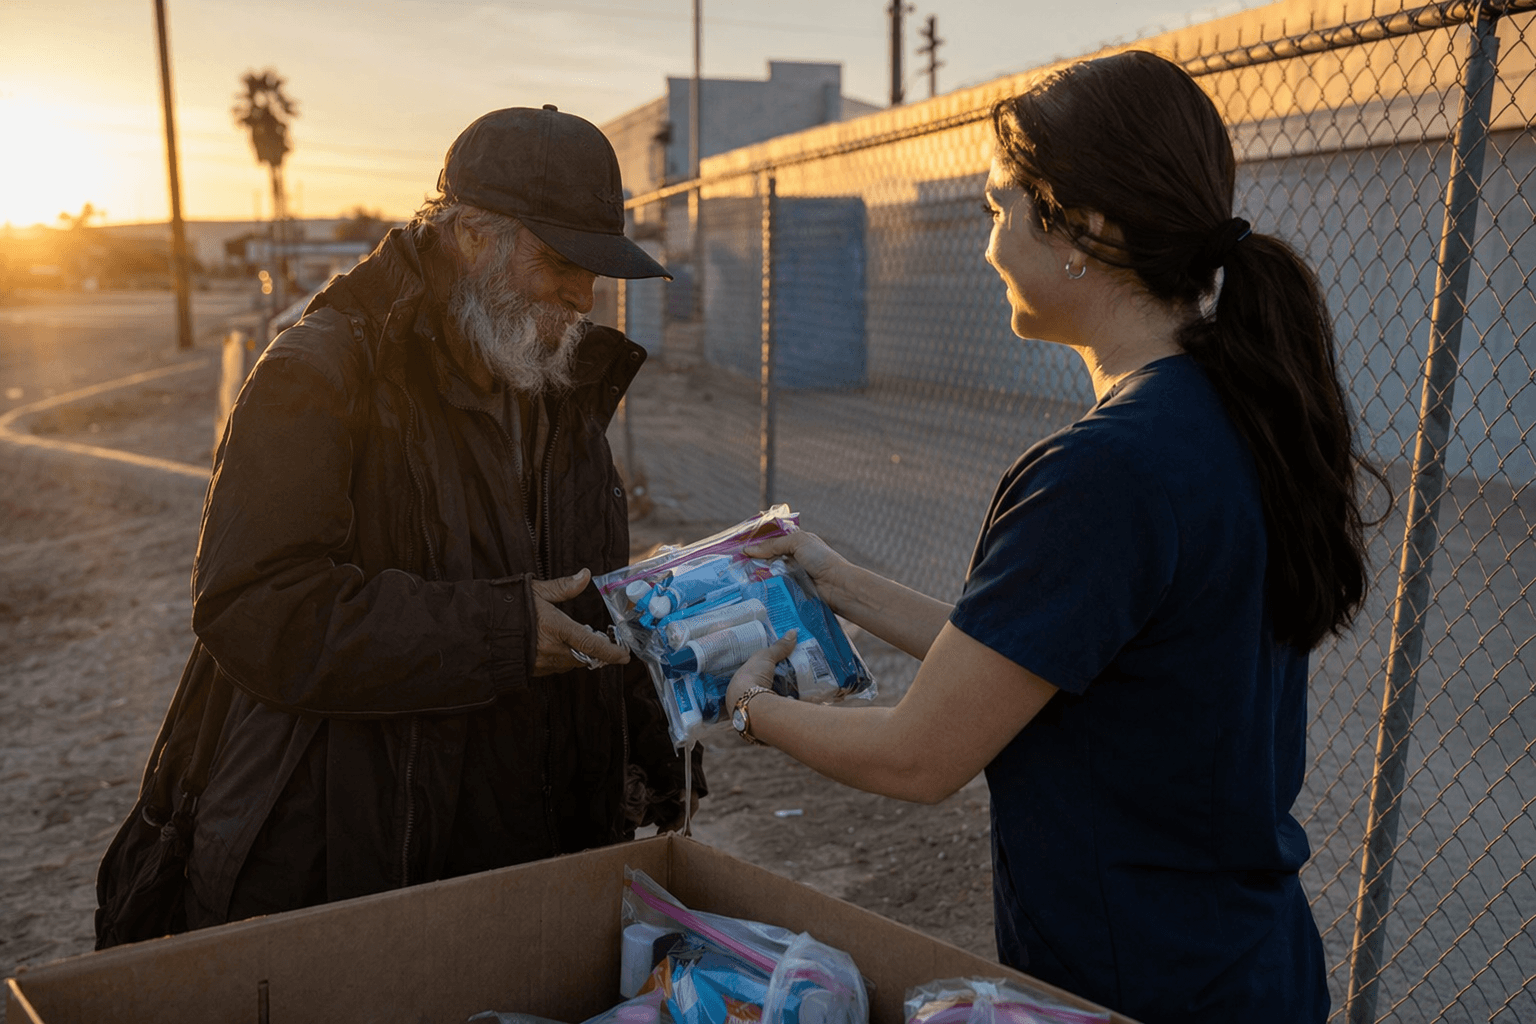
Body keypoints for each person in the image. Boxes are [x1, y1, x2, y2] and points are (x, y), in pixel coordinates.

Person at [723, 52, 1375, 1024]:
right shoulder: (1228, 414)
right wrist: (838, 580)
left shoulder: (1104, 469)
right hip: (1244, 962)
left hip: (1138, 982)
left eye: (999, 209)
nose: (988, 246)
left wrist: (751, 710)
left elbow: (920, 754)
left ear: (1087, 230)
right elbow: (1042, 656)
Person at [97, 106, 697, 942]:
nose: (583, 294)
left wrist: (654, 735)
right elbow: (255, 607)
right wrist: (497, 633)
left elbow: (581, 600)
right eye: (562, 261)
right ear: (471, 236)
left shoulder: (553, 386)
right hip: (354, 866)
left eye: (595, 271)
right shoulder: (320, 371)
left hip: (529, 857)